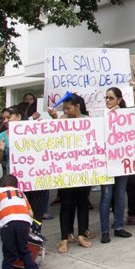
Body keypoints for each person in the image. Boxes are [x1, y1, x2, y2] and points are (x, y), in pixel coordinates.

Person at [48, 94, 93, 252]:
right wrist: (55, 121)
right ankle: (64, 237)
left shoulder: (89, 120)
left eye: (68, 108)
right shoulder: (62, 122)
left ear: (77, 106)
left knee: (82, 202)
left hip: (85, 169)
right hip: (66, 170)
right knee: (66, 204)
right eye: (64, 109)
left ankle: (81, 234)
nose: (66, 111)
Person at [0, 175, 41, 269]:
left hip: (7, 223)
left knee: (9, 254)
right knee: (24, 250)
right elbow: (31, 213)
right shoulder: (20, 193)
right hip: (23, 223)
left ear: (1, 184)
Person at [99, 88, 133, 244]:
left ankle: (119, 227)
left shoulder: (126, 116)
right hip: (106, 164)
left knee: (119, 195)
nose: (107, 101)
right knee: (106, 197)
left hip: (121, 162)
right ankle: (105, 231)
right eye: (106, 98)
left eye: (111, 98)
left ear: (119, 100)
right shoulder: (101, 117)